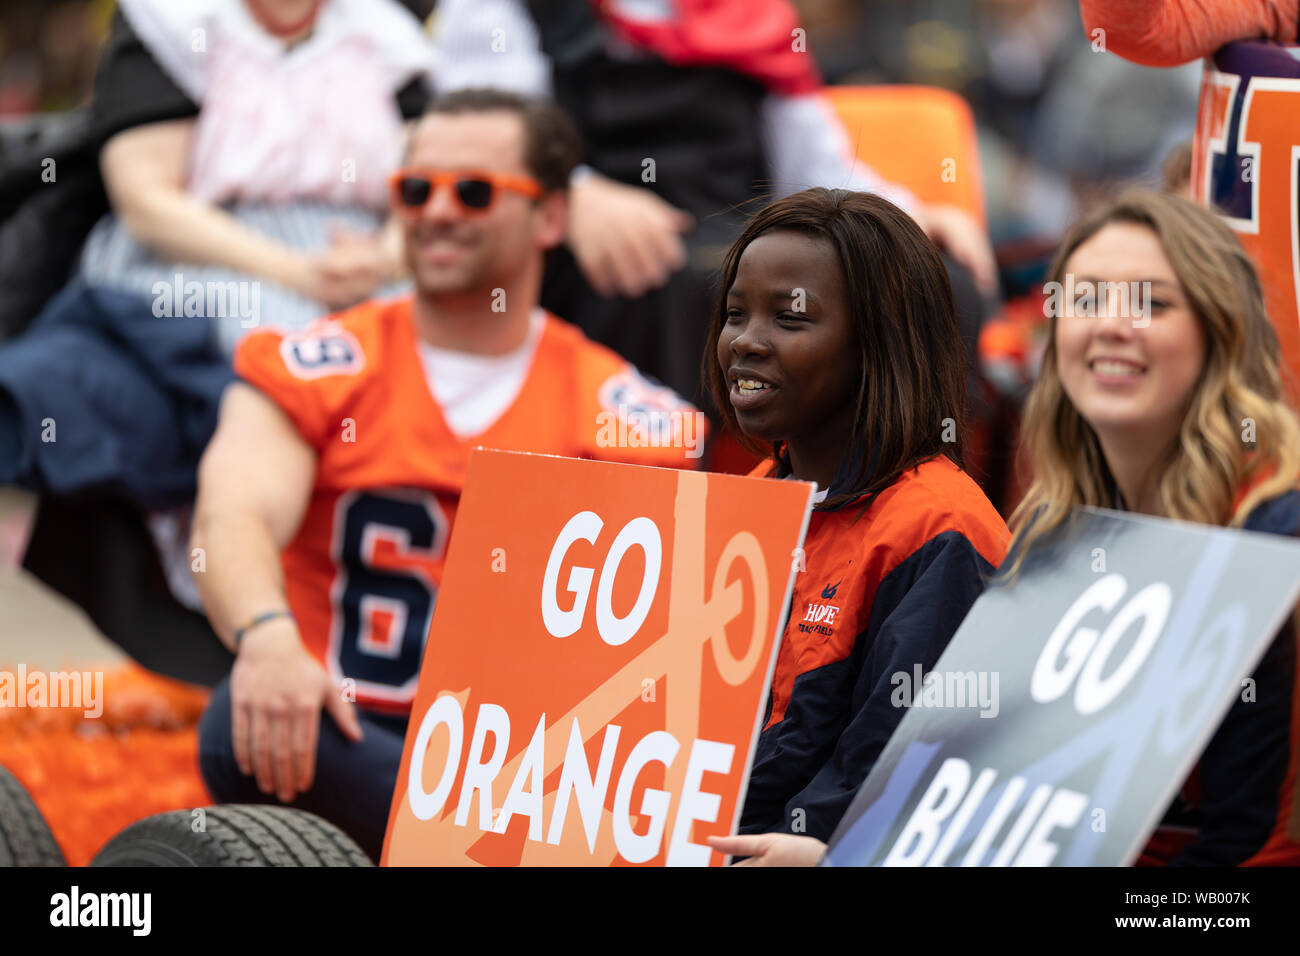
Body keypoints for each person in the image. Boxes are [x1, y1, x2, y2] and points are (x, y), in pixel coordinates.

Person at [190, 89, 707, 861]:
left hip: (521, 773)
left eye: (473, 191)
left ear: (552, 218)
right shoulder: (325, 365)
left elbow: (663, 660)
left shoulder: (621, 411)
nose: (437, 212)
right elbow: (232, 514)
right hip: (346, 730)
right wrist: (266, 638)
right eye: (415, 189)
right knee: (243, 718)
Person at [717, 189, 1300, 866]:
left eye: (1151, 303)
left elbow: (1240, 849)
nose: (1111, 325)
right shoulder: (1055, 539)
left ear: (1220, 329)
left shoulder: (1275, 534)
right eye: (1083, 301)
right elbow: (988, 817)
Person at [698, 188, 1008, 855]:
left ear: (878, 342)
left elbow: (903, 776)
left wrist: (830, 851)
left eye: (790, 317)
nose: (746, 342)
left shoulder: (940, 528)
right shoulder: (756, 495)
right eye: (734, 314)